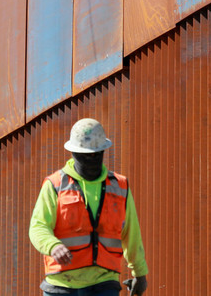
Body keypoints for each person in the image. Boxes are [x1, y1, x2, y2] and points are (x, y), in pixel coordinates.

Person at [29, 118, 149, 295]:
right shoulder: (55, 185)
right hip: (62, 285)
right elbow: (38, 227)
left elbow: (132, 234)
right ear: (73, 153)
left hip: (104, 282)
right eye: (86, 155)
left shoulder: (119, 186)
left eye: (97, 154)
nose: (92, 160)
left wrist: (140, 273)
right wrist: (53, 246)